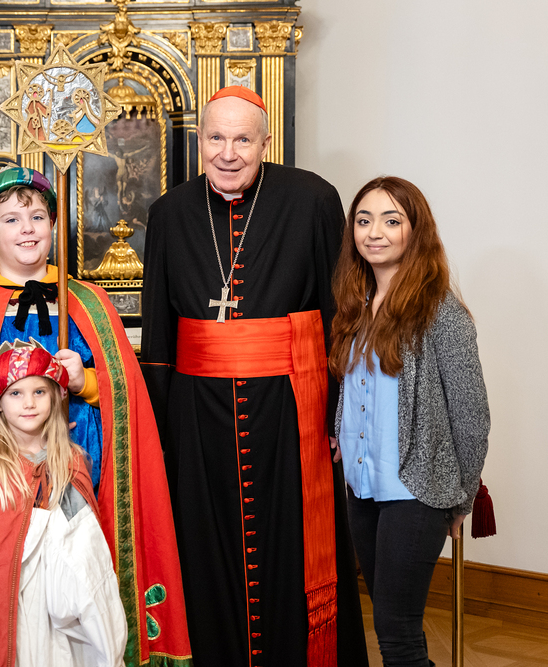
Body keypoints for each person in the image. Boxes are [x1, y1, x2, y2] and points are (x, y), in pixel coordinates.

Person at [140, 86, 368, 666]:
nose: (228, 152)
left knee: (291, 544)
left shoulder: (313, 199)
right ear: (199, 140)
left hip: (290, 413)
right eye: (216, 137)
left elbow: (339, 317)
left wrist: (338, 414)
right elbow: (160, 337)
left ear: (266, 143)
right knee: (204, 547)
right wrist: (161, 432)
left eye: (243, 139)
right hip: (198, 417)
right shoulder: (169, 212)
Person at [0, 167, 192, 666]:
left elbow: (127, 395)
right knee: (19, 622)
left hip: (83, 481)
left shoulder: (89, 302)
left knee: (81, 616)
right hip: (6, 491)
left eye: (38, 216)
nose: (27, 229)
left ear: (54, 225)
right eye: (12, 219)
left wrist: (85, 382)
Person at [328, 177, 489, 666]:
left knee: (395, 631)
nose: (374, 232)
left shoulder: (441, 311)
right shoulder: (354, 305)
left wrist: (461, 498)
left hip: (416, 491)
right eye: (364, 220)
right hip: (362, 487)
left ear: (415, 231)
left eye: (391, 220)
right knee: (393, 623)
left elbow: (472, 414)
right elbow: (354, 390)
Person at [0, 338, 127, 665]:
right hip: (8, 607)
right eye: (16, 393)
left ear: (55, 396)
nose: (28, 403)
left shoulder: (70, 461)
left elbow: (86, 550)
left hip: (60, 610)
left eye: (39, 391)